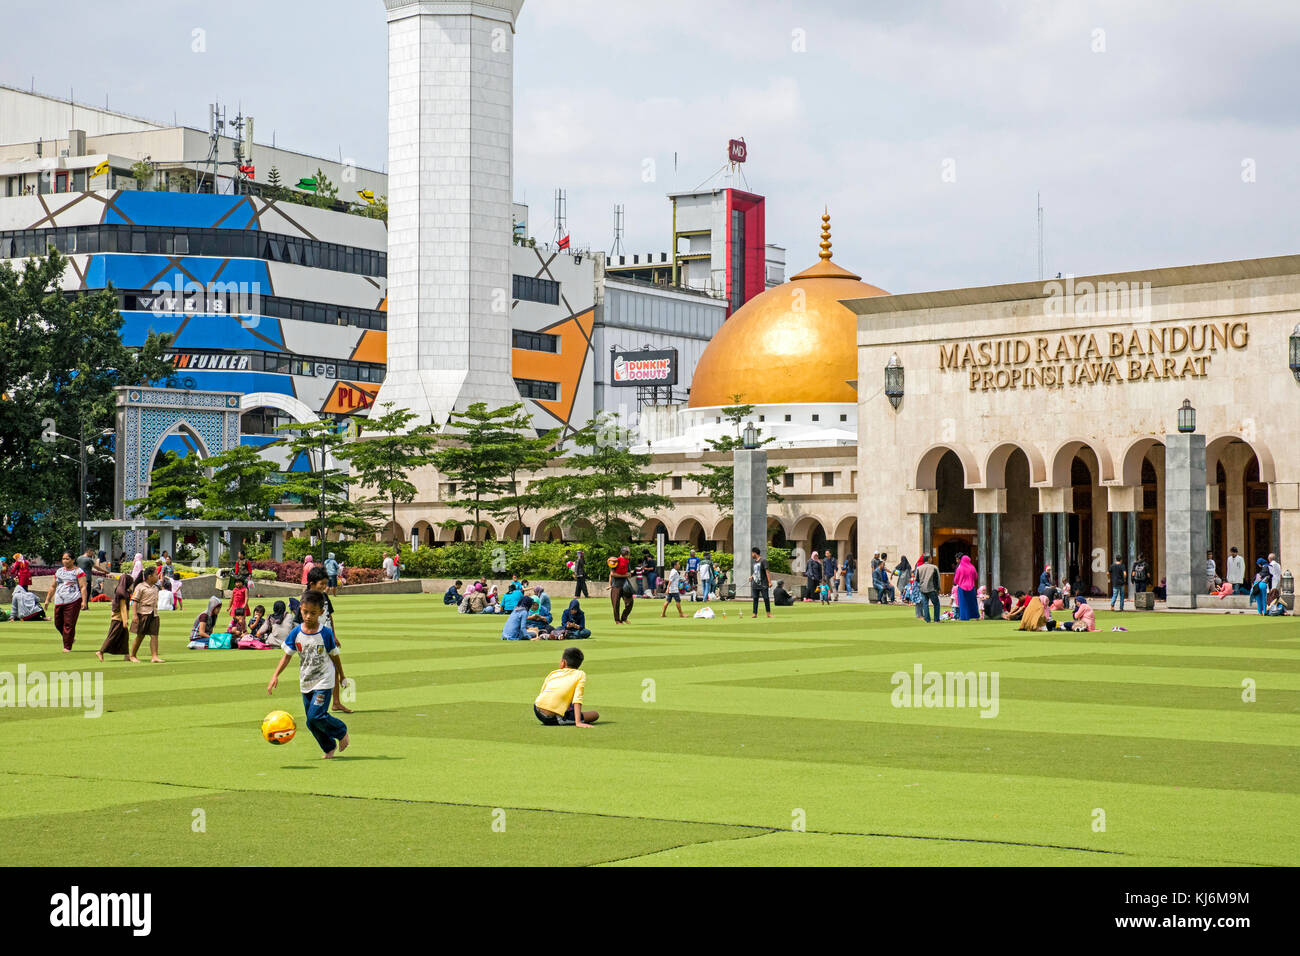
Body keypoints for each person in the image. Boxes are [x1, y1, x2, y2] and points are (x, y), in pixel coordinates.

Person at [267, 590, 350, 759]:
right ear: (300, 611)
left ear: (321, 612)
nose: (308, 616)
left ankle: (341, 732)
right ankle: (328, 748)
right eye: (305, 612)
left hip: (324, 682)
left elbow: (335, 656)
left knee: (316, 715)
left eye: (313, 613)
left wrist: (341, 675)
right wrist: (275, 675)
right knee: (311, 722)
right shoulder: (296, 632)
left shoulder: (325, 633)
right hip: (306, 682)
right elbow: (287, 656)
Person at [296, 566, 352, 714]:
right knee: (320, 671)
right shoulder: (305, 600)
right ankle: (318, 704)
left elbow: (329, 616)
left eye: (325, 583)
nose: (324, 586)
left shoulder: (324, 597)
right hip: (314, 640)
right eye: (321, 583)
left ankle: (336, 702)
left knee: (333, 669)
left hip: (326, 637)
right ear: (312, 583)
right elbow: (298, 622)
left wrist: (333, 635)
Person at [533, 646, 598, 727]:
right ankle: (568, 716)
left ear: (563, 662)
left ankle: (568, 712)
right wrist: (578, 722)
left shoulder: (553, 673)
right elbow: (577, 699)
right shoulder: (580, 674)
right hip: (552, 717)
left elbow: (543, 692)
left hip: (536, 708)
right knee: (595, 714)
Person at [45, 551, 88, 652]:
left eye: (67, 559)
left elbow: (83, 586)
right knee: (58, 623)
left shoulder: (78, 571)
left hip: (73, 600)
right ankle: (69, 638)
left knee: (69, 624)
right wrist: (47, 599)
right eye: (63, 559)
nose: (65, 561)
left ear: (73, 560)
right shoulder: (59, 571)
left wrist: (84, 601)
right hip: (59, 600)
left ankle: (67, 646)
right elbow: (53, 586)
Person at [130, 566, 164, 663]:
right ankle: (132, 655)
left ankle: (154, 656)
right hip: (143, 613)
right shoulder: (140, 587)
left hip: (154, 613)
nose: (157, 577)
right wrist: (134, 615)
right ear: (149, 576)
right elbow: (134, 601)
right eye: (156, 575)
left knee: (154, 635)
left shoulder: (155, 587)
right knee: (140, 635)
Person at [96, 572, 133, 661]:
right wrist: (125, 620)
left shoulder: (121, 590)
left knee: (125, 637)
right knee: (113, 635)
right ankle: (101, 651)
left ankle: (127, 655)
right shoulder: (122, 592)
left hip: (120, 617)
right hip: (118, 618)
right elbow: (123, 607)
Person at [913, 553, 941, 623]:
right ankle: (936, 619)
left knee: (925, 604)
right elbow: (938, 579)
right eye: (931, 558)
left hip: (922, 588)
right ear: (928, 559)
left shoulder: (919, 568)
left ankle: (927, 619)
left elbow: (916, 579)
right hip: (932, 588)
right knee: (936, 603)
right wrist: (938, 588)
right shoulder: (934, 567)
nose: (931, 559)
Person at [609, 546, 634, 624]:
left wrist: (628, 575)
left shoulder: (627, 561)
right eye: (628, 553)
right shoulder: (615, 561)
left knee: (630, 602)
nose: (629, 554)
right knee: (616, 604)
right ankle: (617, 620)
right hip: (616, 585)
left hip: (625, 585)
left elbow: (629, 573)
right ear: (625, 553)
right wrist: (625, 575)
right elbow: (612, 574)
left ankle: (624, 618)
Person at [953, 554, 978, 621]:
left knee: (963, 603)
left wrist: (958, 583)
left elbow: (955, 580)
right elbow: (976, 577)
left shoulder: (959, 568)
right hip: (972, 587)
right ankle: (975, 616)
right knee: (973, 602)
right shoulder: (972, 567)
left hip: (962, 588)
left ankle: (964, 617)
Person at [750, 546, 772, 618]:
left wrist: (769, 582)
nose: (751, 555)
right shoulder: (754, 562)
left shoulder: (763, 561)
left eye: (752, 553)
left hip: (763, 583)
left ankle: (768, 613)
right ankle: (754, 613)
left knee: (766, 598)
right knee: (755, 598)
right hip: (755, 584)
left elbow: (767, 572)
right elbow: (756, 572)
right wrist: (752, 576)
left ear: (755, 553)